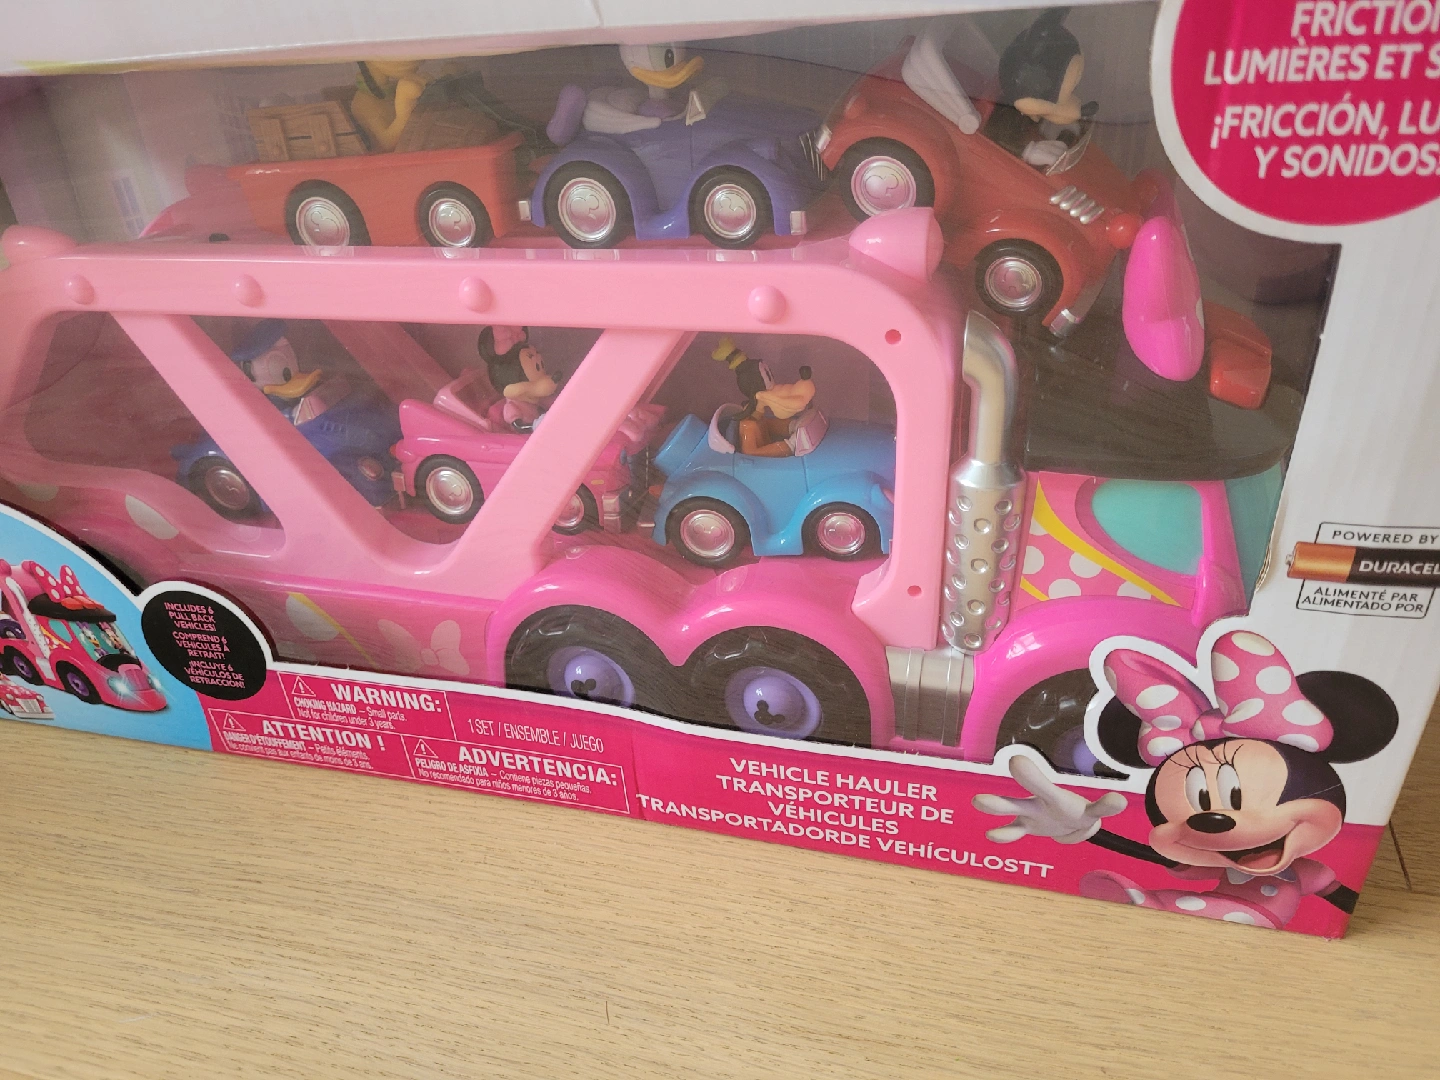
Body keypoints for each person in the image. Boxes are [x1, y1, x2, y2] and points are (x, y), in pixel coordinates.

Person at [983, 8, 1097, 169]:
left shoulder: (1026, 101)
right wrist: (1028, 152)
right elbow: (996, 140)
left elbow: (1056, 107)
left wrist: (1060, 125)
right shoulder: (1004, 110)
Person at [479, 326, 556, 433]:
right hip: (527, 438)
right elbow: (518, 426)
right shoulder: (511, 407)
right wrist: (535, 425)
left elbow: (551, 403)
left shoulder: (533, 398)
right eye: (537, 367)